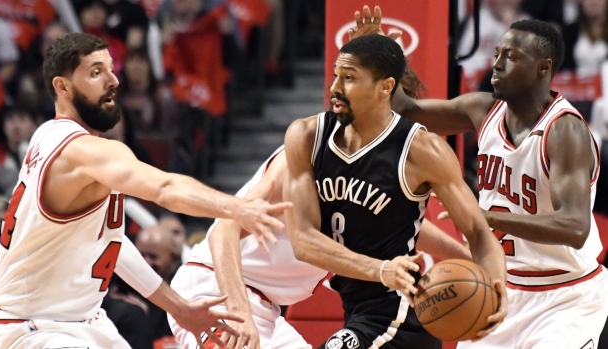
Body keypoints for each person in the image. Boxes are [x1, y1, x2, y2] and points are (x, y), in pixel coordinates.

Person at [0, 32, 291, 349]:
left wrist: (178, 307)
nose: (113, 80)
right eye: (95, 72)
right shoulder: (83, 151)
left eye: (110, 68)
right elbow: (164, 186)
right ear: (62, 87)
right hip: (36, 330)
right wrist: (238, 208)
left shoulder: (48, 137)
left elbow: (112, 245)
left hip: (83, 323)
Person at [354, 6, 608, 348]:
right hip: (499, 286)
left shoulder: (565, 133)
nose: (498, 63)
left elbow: (575, 227)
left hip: (563, 297)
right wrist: (377, 57)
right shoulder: (483, 109)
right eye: (497, 53)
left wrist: (484, 216)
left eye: (512, 57)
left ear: (543, 68)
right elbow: (405, 110)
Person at [168, 67, 473, 349]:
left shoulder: (373, 176)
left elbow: (411, 227)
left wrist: (471, 258)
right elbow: (225, 230)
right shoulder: (302, 158)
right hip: (216, 292)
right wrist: (239, 312)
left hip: (267, 309)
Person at [283, 33, 507, 349]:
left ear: (385, 87)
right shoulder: (307, 136)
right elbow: (303, 240)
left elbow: (479, 234)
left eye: (349, 78)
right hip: (358, 307)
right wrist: (381, 269)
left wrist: (497, 289)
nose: (334, 87)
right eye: (336, 75)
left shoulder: (422, 150)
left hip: (400, 312)